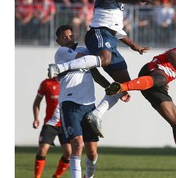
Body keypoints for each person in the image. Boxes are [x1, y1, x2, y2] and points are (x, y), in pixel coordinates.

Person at [48, 0, 153, 137]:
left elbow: (115, 28)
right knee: (104, 59)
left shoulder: (118, 0)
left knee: (125, 85)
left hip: (110, 38)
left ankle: (97, 114)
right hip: (98, 32)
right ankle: (59, 68)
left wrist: (133, 45)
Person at [105, 45, 176, 178]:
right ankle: (121, 87)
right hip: (151, 71)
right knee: (161, 79)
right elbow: (172, 55)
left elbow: (169, 68)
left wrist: (171, 78)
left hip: (157, 83)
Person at [54, 25, 126, 178]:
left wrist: (113, 88)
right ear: (58, 41)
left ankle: (89, 176)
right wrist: (97, 52)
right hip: (70, 103)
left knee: (92, 153)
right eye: (64, 37)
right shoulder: (62, 52)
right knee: (77, 144)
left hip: (89, 105)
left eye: (70, 36)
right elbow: (85, 57)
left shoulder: (86, 53)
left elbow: (96, 74)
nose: (69, 39)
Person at [32, 76, 71, 178]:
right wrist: (36, 118)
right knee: (42, 150)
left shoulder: (70, 82)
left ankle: (56, 176)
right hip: (51, 124)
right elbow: (37, 102)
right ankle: (37, 176)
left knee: (69, 153)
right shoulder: (47, 83)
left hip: (65, 125)